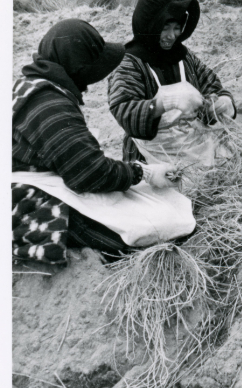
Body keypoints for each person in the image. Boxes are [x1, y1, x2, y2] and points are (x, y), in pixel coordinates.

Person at [12, 19, 184, 265]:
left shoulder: (31, 85)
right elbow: (89, 174)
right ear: (78, 66)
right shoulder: (50, 105)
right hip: (23, 202)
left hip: (35, 178)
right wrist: (142, 172)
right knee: (154, 228)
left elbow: (78, 158)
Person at [108, 0, 236, 165]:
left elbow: (211, 84)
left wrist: (222, 102)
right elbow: (124, 110)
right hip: (150, 160)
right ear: (149, 25)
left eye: (177, 28)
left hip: (193, 149)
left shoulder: (183, 57)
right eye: (164, 28)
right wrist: (162, 104)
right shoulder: (129, 63)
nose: (171, 36)